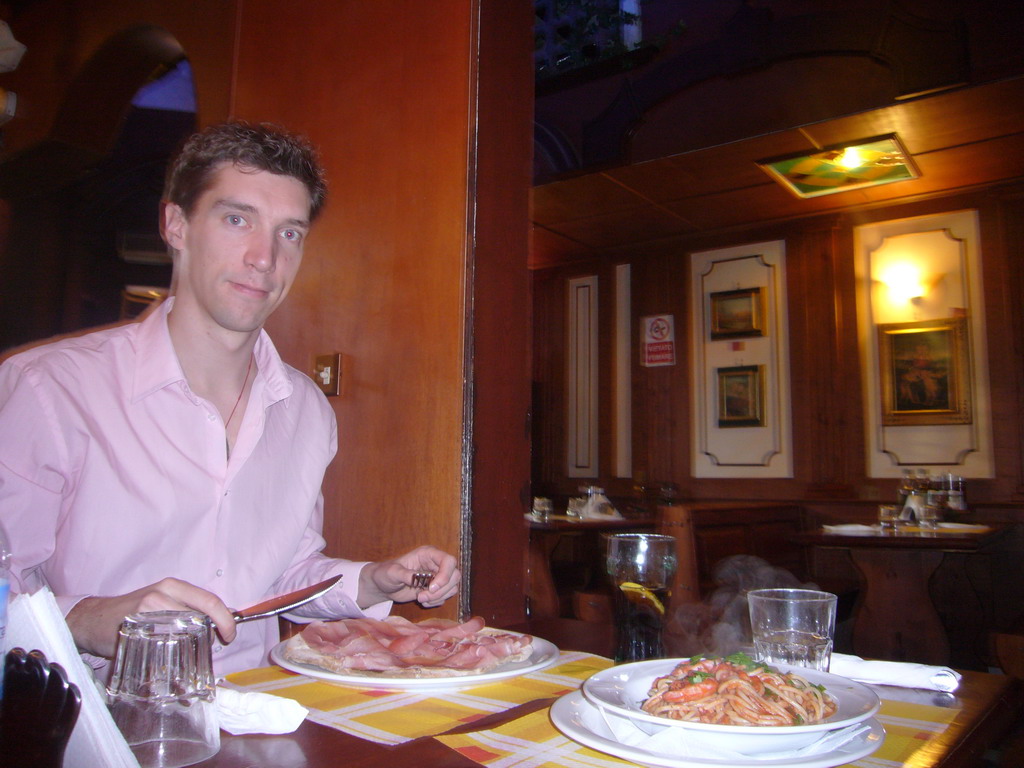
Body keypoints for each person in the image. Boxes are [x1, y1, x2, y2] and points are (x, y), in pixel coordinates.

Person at [0, 121, 460, 679]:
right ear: (176, 225)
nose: (264, 257)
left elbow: (280, 573)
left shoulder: (305, 410)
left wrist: (374, 579)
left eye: (289, 232)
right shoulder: (50, 389)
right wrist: (93, 618)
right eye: (237, 219)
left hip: (253, 714)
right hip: (92, 725)